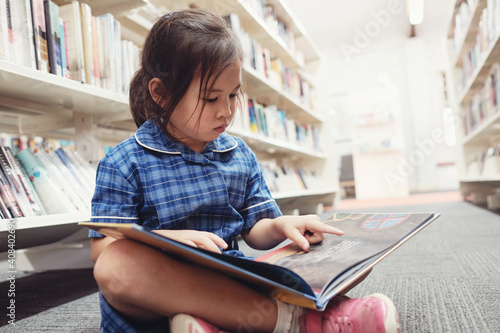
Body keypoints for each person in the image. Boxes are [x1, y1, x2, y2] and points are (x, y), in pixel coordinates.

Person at [89, 8, 400, 333]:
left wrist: (282, 225)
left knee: (346, 249)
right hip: (160, 289)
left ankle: (212, 322)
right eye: (211, 99)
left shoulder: (238, 154)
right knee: (116, 265)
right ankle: (301, 320)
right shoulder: (123, 161)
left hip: (230, 276)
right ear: (161, 93)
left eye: (234, 96)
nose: (226, 111)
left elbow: (256, 229)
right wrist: (166, 240)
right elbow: (103, 248)